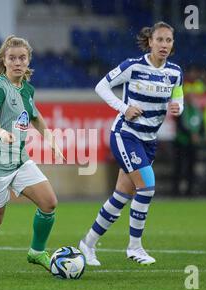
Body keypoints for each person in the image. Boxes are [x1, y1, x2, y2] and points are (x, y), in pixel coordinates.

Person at [79, 21, 184, 266]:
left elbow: (179, 96)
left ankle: (88, 244)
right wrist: (124, 108)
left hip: (149, 141)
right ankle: (134, 247)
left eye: (168, 41)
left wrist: (179, 107)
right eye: (159, 40)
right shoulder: (133, 66)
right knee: (146, 187)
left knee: (121, 196)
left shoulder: (175, 72)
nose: (164, 45)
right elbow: (101, 86)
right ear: (150, 41)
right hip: (126, 135)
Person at [0, 35, 64, 277]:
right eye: (12, 58)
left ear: (28, 61)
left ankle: (37, 252)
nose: (18, 62)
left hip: (18, 159)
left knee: (49, 203)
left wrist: (50, 141)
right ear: (4, 61)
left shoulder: (27, 89)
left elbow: (36, 117)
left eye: (22, 58)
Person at [172, 93, 203, 196]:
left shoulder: (197, 111)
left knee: (191, 168)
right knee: (179, 167)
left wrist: (199, 136)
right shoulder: (182, 110)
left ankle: (189, 191)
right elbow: (180, 124)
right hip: (182, 142)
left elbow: (202, 125)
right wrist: (192, 134)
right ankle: (176, 190)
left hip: (192, 145)